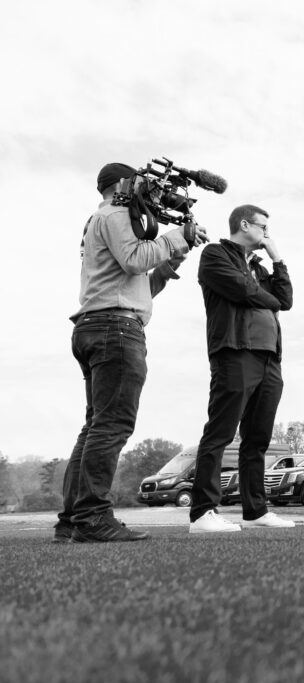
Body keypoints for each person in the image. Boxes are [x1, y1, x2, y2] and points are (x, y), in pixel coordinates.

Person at [56, 162, 202, 543]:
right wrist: (175, 237)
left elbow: (139, 284)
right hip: (115, 331)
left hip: (97, 326)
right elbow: (137, 259)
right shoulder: (118, 213)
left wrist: (170, 261)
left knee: (95, 427)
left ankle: (72, 520)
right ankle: (92, 518)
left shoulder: (99, 220)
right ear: (123, 183)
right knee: (111, 426)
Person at [188, 205, 295, 533]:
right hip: (234, 353)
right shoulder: (215, 255)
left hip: (268, 359)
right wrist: (269, 298)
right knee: (220, 433)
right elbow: (243, 291)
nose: (267, 233)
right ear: (244, 224)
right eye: (263, 226)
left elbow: (285, 299)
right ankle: (203, 512)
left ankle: (255, 510)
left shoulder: (262, 267)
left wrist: (278, 260)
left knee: (257, 439)